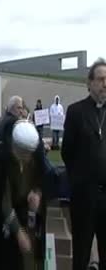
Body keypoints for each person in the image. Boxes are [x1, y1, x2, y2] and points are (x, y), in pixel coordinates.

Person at [0, 120, 48, 270]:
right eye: (25, 152)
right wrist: (18, 232)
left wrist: (37, 195)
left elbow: (42, 183)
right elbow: (4, 203)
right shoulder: (2, 167)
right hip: (4, 234)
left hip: (28, 225)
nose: (28, 157)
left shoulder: (34, 162)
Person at [61, 58, 106, 270]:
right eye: (100, 79)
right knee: (80, 254)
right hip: (84, 197)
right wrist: (81, 181)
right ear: (89, 83)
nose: (105, 84)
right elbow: (67, 153)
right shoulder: (76, 111)